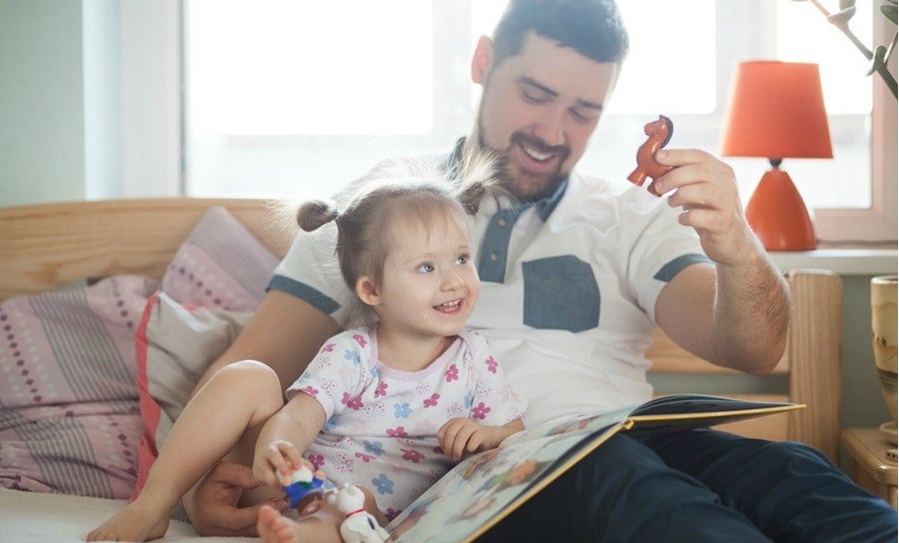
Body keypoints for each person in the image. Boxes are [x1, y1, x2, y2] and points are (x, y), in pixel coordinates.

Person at [183, 1, 898, 541]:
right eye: (535, 94)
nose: (554, 132)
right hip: (486, 476)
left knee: (794, 474)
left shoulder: (628, 214)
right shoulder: (376, 216)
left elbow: (754, 349)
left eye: (584, 111)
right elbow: (251, 372)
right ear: (483, 60)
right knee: (620, 480)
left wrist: (737, 244)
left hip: (632, 438)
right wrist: (191, 487)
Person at [87, 158, 525, 543]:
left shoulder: (473, 357)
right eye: (427, 267)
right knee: (249, 376)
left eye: (462, 259)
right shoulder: (353, 352)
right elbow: (299, 414)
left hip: (371, 512)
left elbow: (515, 433)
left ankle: (301, 536)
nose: (453, 281)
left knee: (354, 505)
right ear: (371, 289)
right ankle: (152, 504)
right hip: (296, 482)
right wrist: (278, 449)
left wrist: (485, 434)